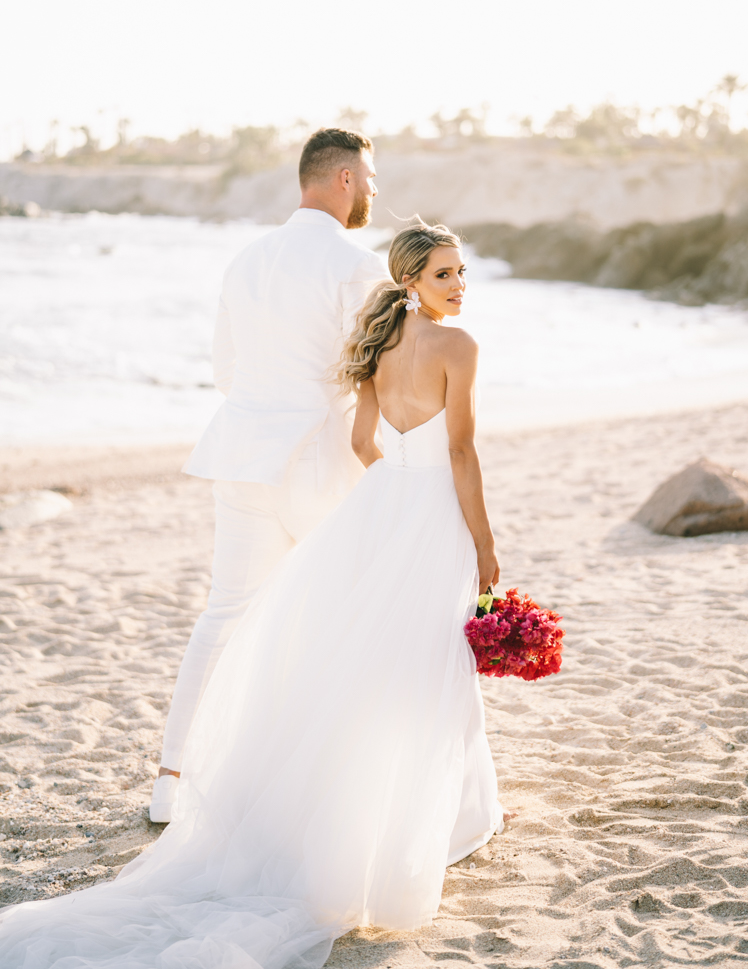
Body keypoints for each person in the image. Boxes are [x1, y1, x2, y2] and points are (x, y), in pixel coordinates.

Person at [0, 221, 503, 969]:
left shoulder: (379, 346)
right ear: (409, 282)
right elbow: (461, 449)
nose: (459, 286)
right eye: (443, 276)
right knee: (428, 662)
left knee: (380, 660)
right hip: (430, 513)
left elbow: (365, 444)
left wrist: (394, 486)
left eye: (461, 273)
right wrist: (486, 545)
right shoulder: (458, 349)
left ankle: (437, 814)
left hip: (379, 507)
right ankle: (444, 823)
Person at [150, 127, 386, 822]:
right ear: (343, 179)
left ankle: (170, 780)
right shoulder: (356, 262)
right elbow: (369, 368)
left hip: (242, 455)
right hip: (319, 455)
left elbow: (226, 372)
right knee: (348, 609)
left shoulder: (246, 261)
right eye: (370, 177)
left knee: (224, 615)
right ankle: (339, 786)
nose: (374, 189)